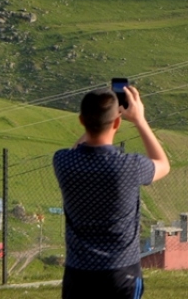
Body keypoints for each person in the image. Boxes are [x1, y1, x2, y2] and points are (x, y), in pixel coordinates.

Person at [53, 84, 170, 299]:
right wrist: (139, 120)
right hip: (121, 272)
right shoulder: (129, 166)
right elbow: (163, 164)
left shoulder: (63, 162)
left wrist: (97, 117)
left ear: (81, 120)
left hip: (78, 274)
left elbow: (78, 148)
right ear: (117, 122)